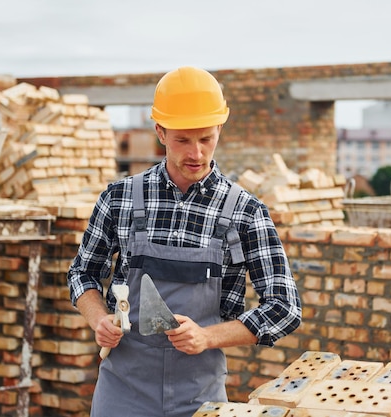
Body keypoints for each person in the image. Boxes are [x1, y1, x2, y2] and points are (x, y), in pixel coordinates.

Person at [67, 66, 302, 417]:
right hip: (123, 392)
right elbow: (82, 273)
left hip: (199, 395)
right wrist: (98, 318)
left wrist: (208, 337)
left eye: (206, 138)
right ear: (160, 131)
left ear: (219, 129)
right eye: (182, 140)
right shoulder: (120, 198)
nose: (196, 153)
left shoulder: (246, 212)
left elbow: (284, 308)